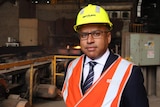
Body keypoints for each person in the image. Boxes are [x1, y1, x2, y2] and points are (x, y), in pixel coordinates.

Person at [62, 4, 149, 107]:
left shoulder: (129, 72)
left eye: (97, 34)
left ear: (108, 37)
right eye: (84, 35)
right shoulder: (71, 67)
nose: (90, 40)